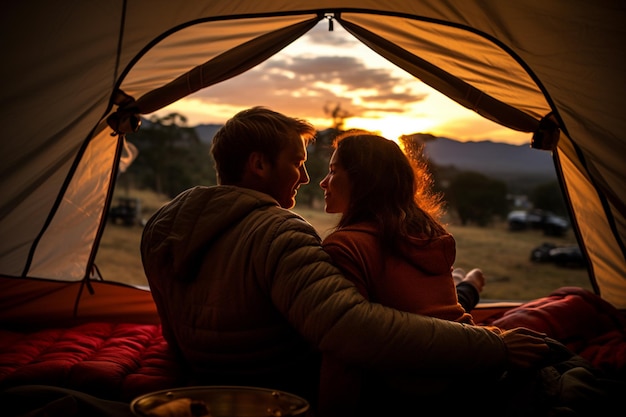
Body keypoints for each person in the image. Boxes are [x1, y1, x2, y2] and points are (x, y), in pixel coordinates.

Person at [140, 106, 549, 415]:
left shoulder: (161, 227)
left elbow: (175, 336)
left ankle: (467, 291)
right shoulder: (279, 233)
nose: (305, 178)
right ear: (259, 165)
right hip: (279, 394)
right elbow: (354, 329)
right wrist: (492, 345)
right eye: (297, 163)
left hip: (203, 387)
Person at [318, 132, 499, 415]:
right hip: (469, 379)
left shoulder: (345, 246)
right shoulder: (427, 237)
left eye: (332, 171)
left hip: (407, 394)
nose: (323, 182)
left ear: (363, 180)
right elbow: (436, 316)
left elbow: (346, 347)